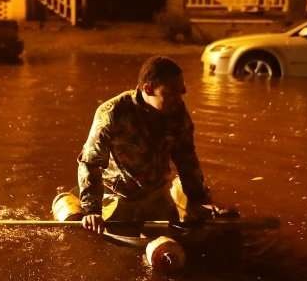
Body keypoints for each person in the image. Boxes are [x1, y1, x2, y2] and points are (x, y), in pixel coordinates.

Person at [76, 56, 212, 233]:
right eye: (170, 94)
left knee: (185, 233)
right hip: (119, 197)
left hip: (157, 194)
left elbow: (187, 159)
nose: (178, 100)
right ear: (148, 89)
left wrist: (198, 200)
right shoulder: (112, 113)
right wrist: (92, 210)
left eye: (181, 92)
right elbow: (90, 163)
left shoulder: (177, 112)